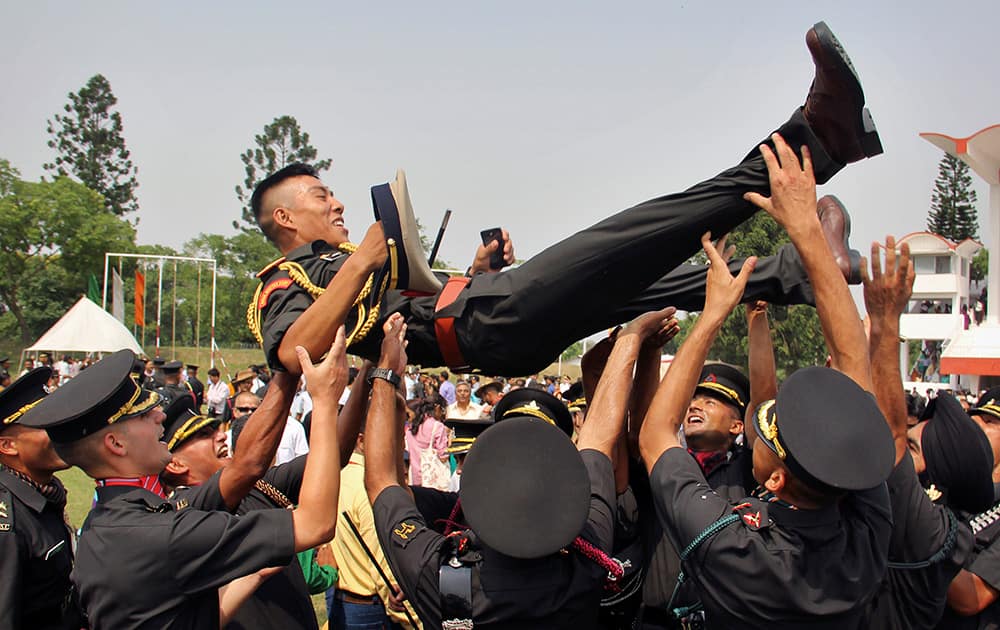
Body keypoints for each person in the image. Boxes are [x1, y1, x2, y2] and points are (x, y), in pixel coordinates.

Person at [250, 21, 874, 378]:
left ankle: (801, 271)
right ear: (284, 218)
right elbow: (289, 350)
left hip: (487, 317)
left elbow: (402, 306)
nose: (335, 204)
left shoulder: (337, 270)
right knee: (645, 233)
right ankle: (819, 139)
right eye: (319, 195)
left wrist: (478, 271)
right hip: (486, 327)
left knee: (656, 278)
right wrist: (363, 259)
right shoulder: (281, 282)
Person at [638, 128, 895, 626]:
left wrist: (712, 314)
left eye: (767, 428)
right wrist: (811, 238)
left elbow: (655, 434)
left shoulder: (735, 549)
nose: (763, 414)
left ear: (774, 478)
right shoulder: (862, 539)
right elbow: (853, 366)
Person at [366, 308, 675, 627]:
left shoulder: (435, 573)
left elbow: (381, 481)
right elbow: (598, 440)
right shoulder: (588, 555)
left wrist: (386, 373)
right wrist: (630, 340)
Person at [19, 339, 348, 629]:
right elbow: (315, 524)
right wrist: (325, 402)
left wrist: (255, 574)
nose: (160, 416)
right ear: (116, 445)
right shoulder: (158, 533)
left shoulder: (102, 524)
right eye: (143, 414)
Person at [0, 367, 83, 630]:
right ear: (7, 446)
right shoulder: (9, 526)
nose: (60, 430)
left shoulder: (44, 495)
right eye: (45, 426)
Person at [404, 395, 450, 489]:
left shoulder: (411, 427)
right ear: (437, 407)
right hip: (432, 481)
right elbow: (443, 457)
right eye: (443, 410)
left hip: (414, 477)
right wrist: (449, 441)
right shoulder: (437, 426)